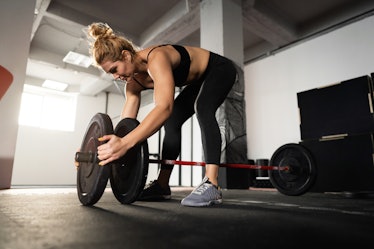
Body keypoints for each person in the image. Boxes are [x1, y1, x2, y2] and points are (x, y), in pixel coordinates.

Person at [88, 22, 237, 207]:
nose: (115, 77)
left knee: (203, 108)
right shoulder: (132, 85)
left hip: (219, 69)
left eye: (114, 69)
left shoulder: (156, 58)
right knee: (174, 120)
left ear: (126, 55)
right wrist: (107, 150)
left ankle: (212, 184)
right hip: (198, 81)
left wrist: (125, 144)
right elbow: (127, 127)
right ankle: (162, 184)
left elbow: (164, 107)